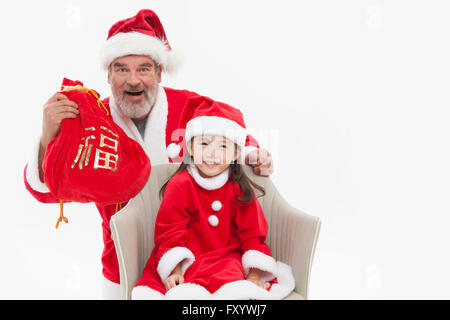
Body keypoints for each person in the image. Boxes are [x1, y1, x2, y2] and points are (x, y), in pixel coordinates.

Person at [23, 9, 274, 299]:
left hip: (190, 258)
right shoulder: (90, 126)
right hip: (123, 258)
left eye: (143, 68)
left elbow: (228, 126)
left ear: (158, 72)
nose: (133, 80)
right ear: (108, 74)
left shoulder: (187, 107)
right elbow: (46, 191)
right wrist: (47, 135)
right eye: (122, 69)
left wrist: (253, 153)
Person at [132, 96, 294, 299]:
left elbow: (252, 235)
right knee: (186, 293)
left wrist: (253, 275)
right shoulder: (181, 184)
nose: (212, 153)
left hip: (228, 258)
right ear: (190, 148)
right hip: (189, 258)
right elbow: (170, 232)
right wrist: (174, 269)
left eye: (224, 146)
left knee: (235, 291)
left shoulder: (238, 188)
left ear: (236, 153)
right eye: (204, 143)